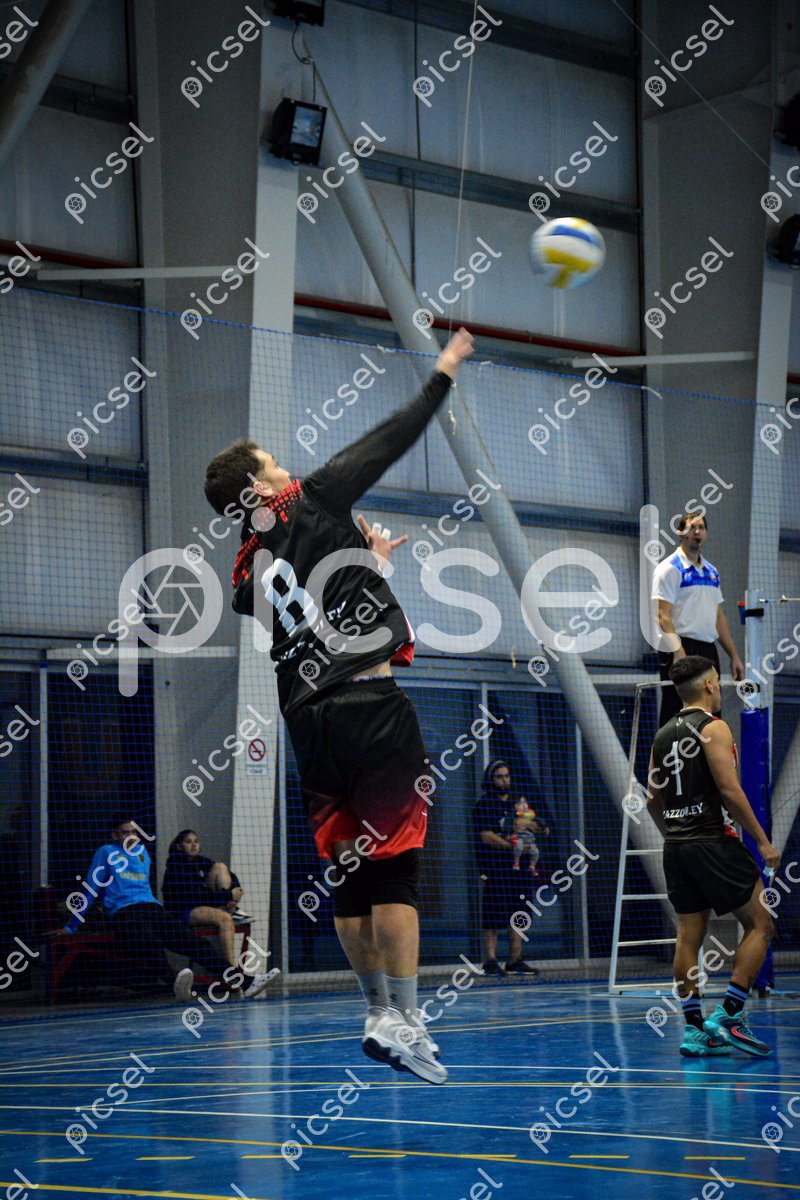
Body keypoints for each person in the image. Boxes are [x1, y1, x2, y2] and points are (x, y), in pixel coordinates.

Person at [204, 328, 475, 1085]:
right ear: (260, 489)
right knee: (397, 873)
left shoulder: (243, 575)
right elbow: (390, 438)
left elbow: (311, 611)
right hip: (368, 706)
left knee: (353, 876)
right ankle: (409, 1022)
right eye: (273, 466)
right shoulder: (313, 497)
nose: (286, 469)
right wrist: (443, 373)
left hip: (309, 722)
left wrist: (369, 565)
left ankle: (377, 1011)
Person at [646, 656, 779, 1057]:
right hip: (713, 841)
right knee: (761, 924)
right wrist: (762, 841)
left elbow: (651, 798)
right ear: (708, 685)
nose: (719, 689)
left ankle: (693, 1030)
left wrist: (674, 834)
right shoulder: (713, 727)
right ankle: (730, 1014)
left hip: (677, 846)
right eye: (717, 683)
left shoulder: (661, 735)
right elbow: (729, 789)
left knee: (689, 935)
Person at [60, 815, 272, 1001]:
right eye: (125, 833)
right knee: (148, 940)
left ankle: (245, 982)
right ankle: (174, 982)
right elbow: (91, 888)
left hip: (152, 907)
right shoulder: (106, 852)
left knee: (195, 943)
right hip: (124, 911)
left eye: (134, 832)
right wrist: (71, 926)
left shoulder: (142, 853)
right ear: (115, 835)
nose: (132, 837)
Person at [652, 512, 744, 726]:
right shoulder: (669, 568)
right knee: (678, 710)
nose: (697, 532)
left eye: (701, 527)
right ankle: (672, 748)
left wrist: (734, 656)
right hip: (679, 648)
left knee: (711, 710)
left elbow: (718, 617)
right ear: (680, 534)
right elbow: (662, 614)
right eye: (691, 527)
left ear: (706, 533)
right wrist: (679, 653)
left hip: (707, 650)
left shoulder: (712, 572)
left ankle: (708, 748)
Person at [474, 760, 540, 976]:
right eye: (499, 777)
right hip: (496, 868)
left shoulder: (518, 803)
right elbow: (486, 836)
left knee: (519, 912)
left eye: (507, 776)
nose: (504, 780)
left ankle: (515, 959)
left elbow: (542, 826)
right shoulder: (485, 805)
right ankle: (490, 960)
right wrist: (513, 846)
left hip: (520, 871)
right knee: (493, 913)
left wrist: (528, 825)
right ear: (491, 779)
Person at [162, 830, 251, 968]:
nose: (194, 845)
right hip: (183, 910)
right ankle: (231, 972)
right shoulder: (176, 867)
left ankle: (230, 907)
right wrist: (228, 895)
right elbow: (197, 896)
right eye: (188, 842)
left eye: (196, 842)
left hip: (201, 904)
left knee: (220, 867)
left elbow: (230, 875)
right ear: (179, 846)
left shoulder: (199, 861)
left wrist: (235, 891)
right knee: (225, 919)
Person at [511, 797, 547, 875]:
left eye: (525, 803)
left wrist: (543, 826)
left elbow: (540, 821)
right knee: (518, 846)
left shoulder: (530, 815)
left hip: (530, 840)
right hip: (518, 838)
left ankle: (532, 867)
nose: (523, 805)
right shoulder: (512, 816)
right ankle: (516, 863)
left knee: (535, 852)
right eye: (520, 804)